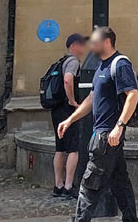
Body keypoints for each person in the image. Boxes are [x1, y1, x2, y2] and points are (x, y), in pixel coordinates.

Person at [56, 26, 138, 222]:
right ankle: (131, 219)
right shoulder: (101, 67)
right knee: (120, 181)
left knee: (89, 183)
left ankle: (80, 220)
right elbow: (92, 99)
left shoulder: (120, 64)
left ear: (107, 42)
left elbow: (132, 95)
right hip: (105, 134)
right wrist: (70, 119)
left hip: (107, 135)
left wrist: (119, 126)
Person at [50, 33, 88, 197]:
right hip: (67, 109)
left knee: (60, 148)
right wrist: (73, 101)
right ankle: (68, 186)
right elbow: (67, 80)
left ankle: (57, 185)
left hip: (57, 109)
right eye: (81, 44)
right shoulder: (72, 61)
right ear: (73, 45)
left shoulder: (61, 61)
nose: (83, 47)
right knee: (73, 148)